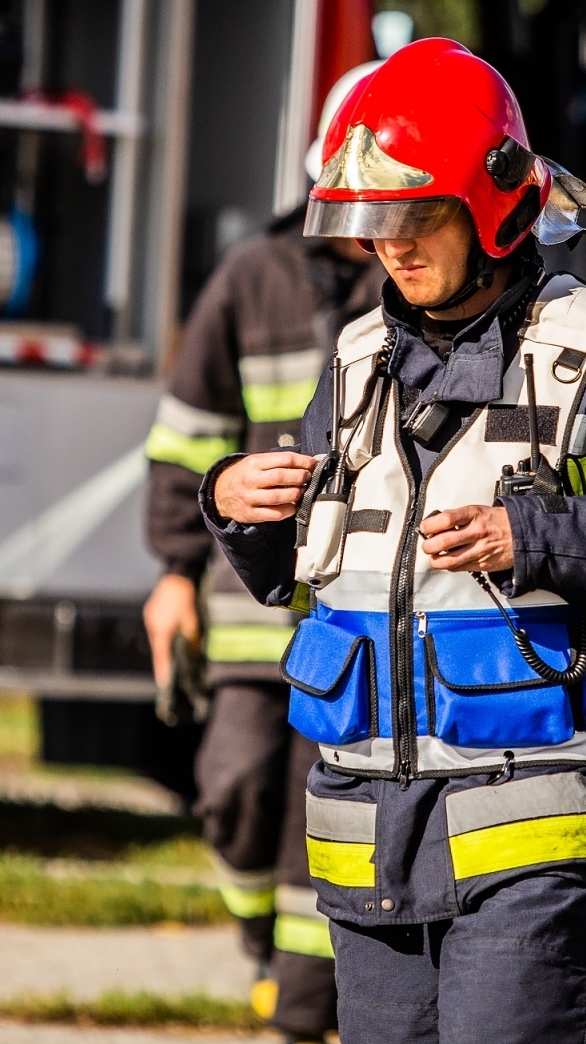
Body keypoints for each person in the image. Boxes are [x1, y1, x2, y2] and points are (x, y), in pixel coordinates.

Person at [200, 38, 586, 1043]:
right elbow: (308, 574)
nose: (390, 246)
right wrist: (237, 502)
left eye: (414, 215)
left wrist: (533, 536)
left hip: (531, 842)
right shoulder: (356, 358)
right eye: (372, 222)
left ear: (492, 206)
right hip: (368, 848)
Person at [141, 63, 385, 1044]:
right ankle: (261, 949)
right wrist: (170, 572)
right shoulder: (251, 276)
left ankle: (300, 1009)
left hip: (358, 613)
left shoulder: (416, 284)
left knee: (319, 819)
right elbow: (186, 438)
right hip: (249, 610)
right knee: (234, 786)